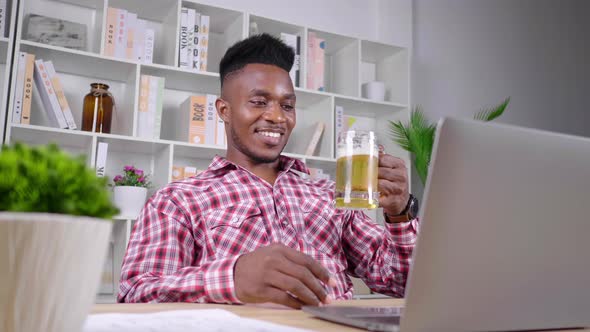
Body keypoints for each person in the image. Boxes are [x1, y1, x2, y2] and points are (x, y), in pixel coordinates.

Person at [118, 34, 419, 309]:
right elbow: (136, 294)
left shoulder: (329, 195)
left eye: (287, 106)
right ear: (224, 110)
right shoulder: (177, 201)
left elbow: (401, 283)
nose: (276, 117)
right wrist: (232, 279)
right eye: (259, 102)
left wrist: (400, 212)